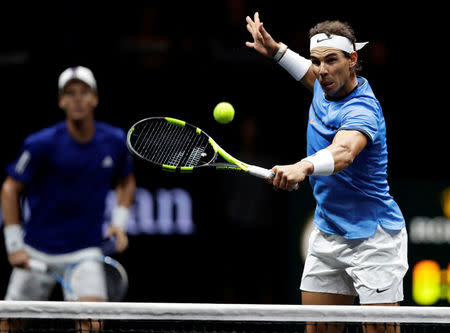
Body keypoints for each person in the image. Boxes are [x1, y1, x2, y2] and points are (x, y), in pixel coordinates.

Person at [245, 13, 408, 333]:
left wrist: (302, 166)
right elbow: (307, 73)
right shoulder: (324, 83)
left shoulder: (362, 109)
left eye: (331, 60)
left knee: (379, 331)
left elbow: (344, 152)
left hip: (374, 238)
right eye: (317, 62)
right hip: (327, 231)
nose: (322, 70)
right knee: (319, 329)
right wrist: (276, 50)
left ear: (352, 60)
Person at [1, 66, 136, 331]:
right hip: (36, 251)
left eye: (84, 93)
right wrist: (14, 245)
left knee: (92, 325)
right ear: (61, 101)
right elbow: (9, 189)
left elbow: (126, 180)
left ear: (95, 98)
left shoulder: (114, 141)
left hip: (84, 253)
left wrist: (119, 223)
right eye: (70, 93)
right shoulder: (40, 143)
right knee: (7, 327)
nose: (77, 99)